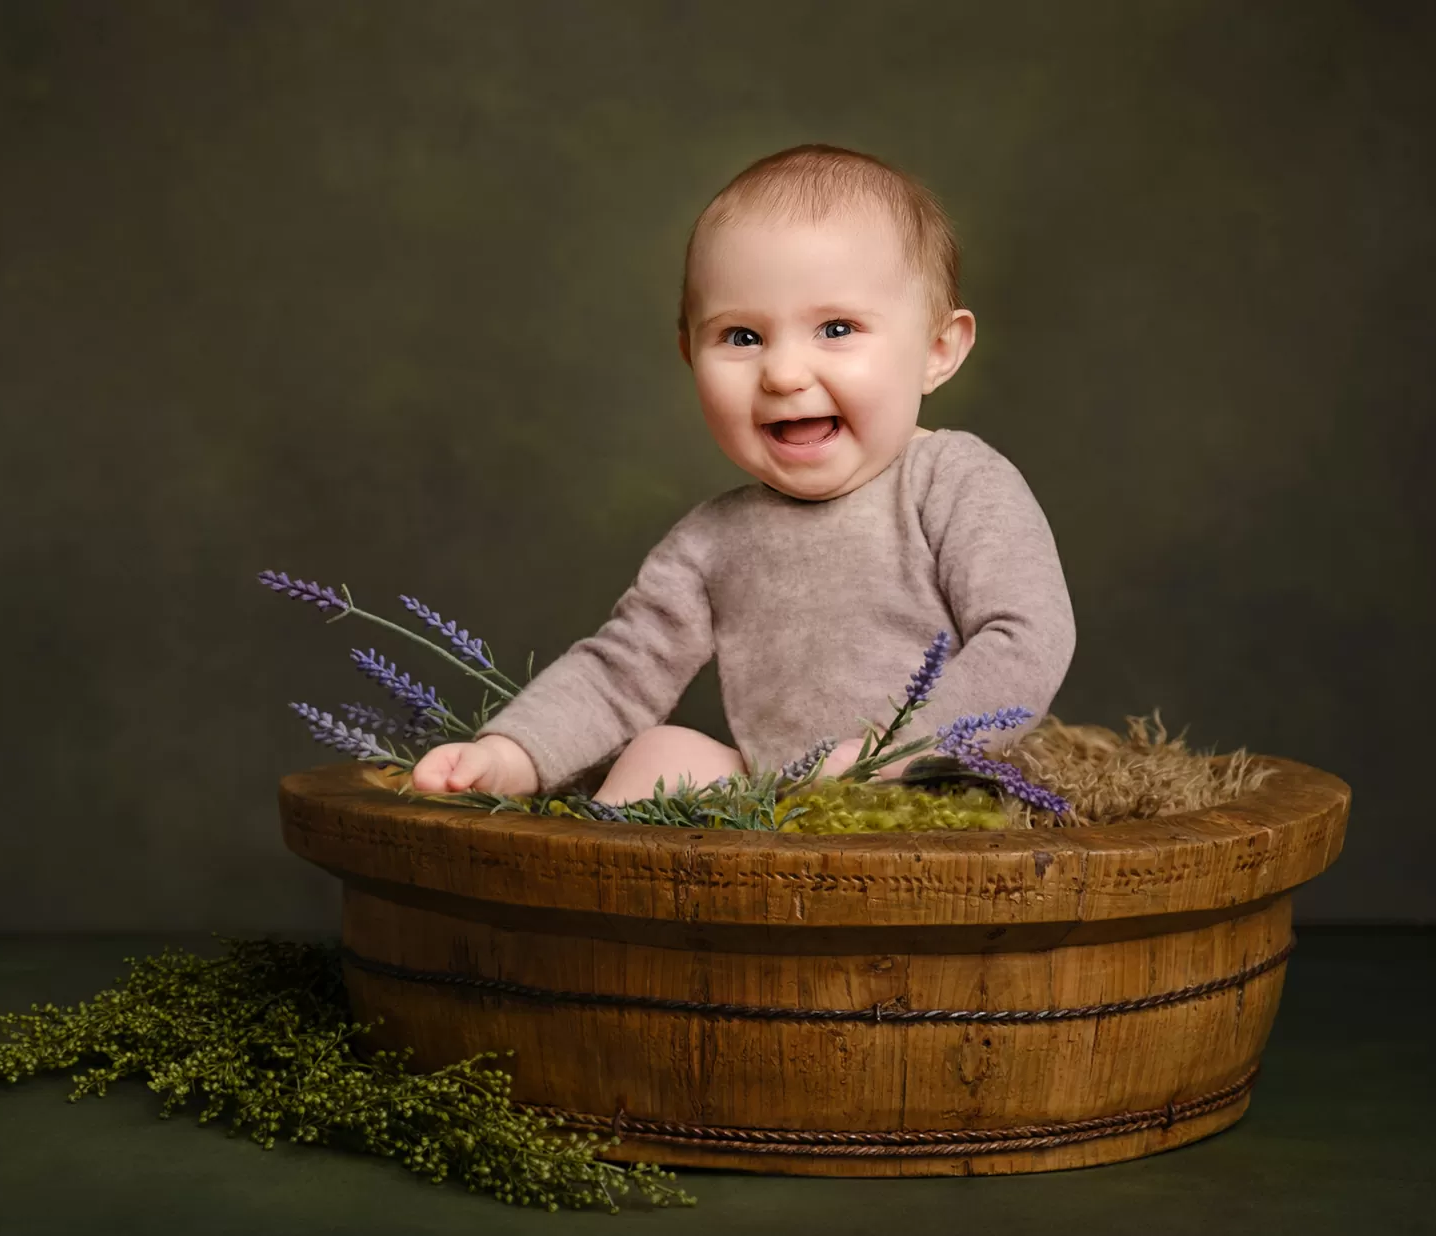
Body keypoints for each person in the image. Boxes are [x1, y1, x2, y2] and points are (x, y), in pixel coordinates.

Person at [411, 144, 1075, 804]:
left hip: (934, 791)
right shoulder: (712, 541)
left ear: (937, 350)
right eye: (741, 337)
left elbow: (1026, 637)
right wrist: (507, 754)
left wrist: (897, 751)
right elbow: (618, 674)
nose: (783, 374)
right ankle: (623, 905)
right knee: (660, 754)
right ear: (689, 354)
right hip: (778, 810)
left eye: (837, 328)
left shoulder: (953, 481)